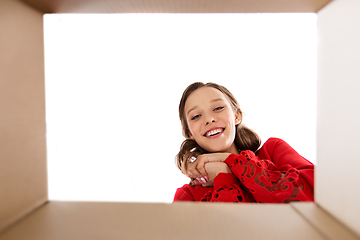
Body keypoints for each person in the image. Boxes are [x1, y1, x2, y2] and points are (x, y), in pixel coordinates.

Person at [173, 82, 314, 203]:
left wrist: (228, 162)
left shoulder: (273, 150)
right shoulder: (188, 196)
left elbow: (319, 197)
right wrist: (224, 176)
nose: (209, 119)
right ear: (190, 133)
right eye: (196, 116)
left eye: (218, 108)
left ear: (236, 116)